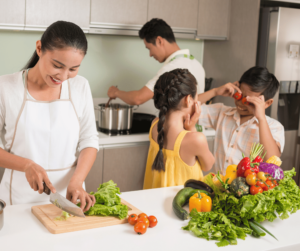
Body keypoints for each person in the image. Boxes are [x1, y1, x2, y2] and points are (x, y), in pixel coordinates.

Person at [0, 21, 99, 211]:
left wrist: (77, 181)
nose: (63, 76)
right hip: (17, 202)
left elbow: (89, 140)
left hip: (68, 200)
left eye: (73, 69)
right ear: (39, 48)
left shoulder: (80, 86)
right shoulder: (5, 88)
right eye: (57, 65)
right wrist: (27, 165)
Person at [186, 66, 285, 175]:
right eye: (239, 96)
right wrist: (215, 92)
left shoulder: (274, 127)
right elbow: (186, 108)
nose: (240, 103)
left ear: (267, 103)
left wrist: (261, 118)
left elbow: (272, 161)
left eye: (249, 101)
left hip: (250, 190)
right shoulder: (222, 113)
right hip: (219, 186)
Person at [143, 69, 215, 189]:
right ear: (188, 100)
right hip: (183, 206)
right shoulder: (196, 139)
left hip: (152, 204)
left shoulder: (155, 125)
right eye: (196, 97)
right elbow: (208, 165)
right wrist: (192, 128)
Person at [107, 18, 205, 105]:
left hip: (178, 125)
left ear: (159, 41)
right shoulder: (196, 63)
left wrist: (116, 92)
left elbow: (138, 99)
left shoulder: (173, 67)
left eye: (149, 48)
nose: (150, 54)